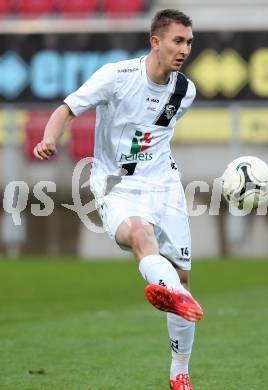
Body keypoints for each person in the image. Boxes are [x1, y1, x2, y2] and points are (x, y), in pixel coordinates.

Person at [33, 9, 203, 390]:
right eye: (178, 40)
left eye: (189, 42)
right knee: (140, 237)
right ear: (155, 42)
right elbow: (67, 108)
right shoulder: (116, 76)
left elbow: (152, 134)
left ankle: (179, 370)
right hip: (116, 185)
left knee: (183, 279)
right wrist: (49, 138)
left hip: (164, 187)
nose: (184, 49)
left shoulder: (184, 91)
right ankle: (168, 293)